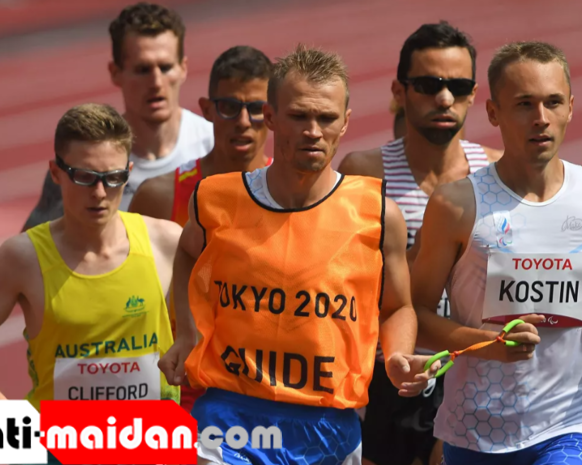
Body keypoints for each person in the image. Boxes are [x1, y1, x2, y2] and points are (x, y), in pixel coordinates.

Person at [158, 44, 460, 465]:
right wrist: (187, 334)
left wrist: (396, 356)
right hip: (229, 417)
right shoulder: (217, 200)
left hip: (326, 427)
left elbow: (397, 307)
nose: (313, 130)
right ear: (271, 116)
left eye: (326, 118)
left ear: (345, 121)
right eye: (299, 116)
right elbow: (188, 253)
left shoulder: (377, 214)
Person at [410, 41, 582, 465]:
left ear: (570, 107)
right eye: (524, 104)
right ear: (493, 113)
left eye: (553, 102)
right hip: (476, 429)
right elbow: (416, 314)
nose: (541, 118)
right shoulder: (457, 206)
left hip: (573, 421)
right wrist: (487, 345)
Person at [338, 22, 502, 465]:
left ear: (473, 94)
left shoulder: (495, 173)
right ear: (399, 91)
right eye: (429, 85)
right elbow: (349, 287)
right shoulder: (365, 173)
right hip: (386, 376)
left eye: (458, 87)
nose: (444, 99)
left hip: (469, 375)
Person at [0, 103, 182, 412]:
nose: (100, 192)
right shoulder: (23, 257)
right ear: (56, 173)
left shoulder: (166, 242)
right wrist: (5, 416)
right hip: (61, 440)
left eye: (113, 177)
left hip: (148, 437)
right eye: (85, 176)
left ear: (128, 173)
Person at [128, 44, 273, 413]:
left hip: (264, 393)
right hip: (183, 392)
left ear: (272, 114)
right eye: (229, 107)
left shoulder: (295, 196)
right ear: (207, 109)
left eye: (256, 108)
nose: (243, 121)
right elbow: (130, 304)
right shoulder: (161, 196)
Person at [20, 2, 214, 230]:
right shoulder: (84, 160)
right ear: (115, 72)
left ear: (183, 68)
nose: (156, 82)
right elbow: (33, 241)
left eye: (165, 67)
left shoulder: (214, 145)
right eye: (142, 69)